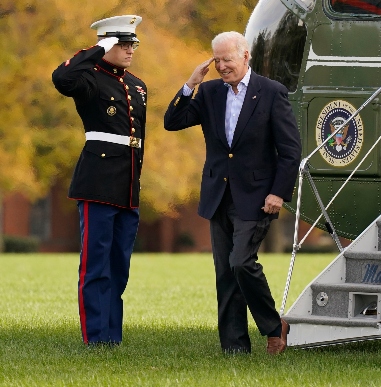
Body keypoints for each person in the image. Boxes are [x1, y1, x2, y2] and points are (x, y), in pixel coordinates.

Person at [164, 31, 301, 355]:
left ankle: (272, 325)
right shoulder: (210, 92)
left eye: (228, 59)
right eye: (218, 60)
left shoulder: (271, 93)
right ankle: (235, 347)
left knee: (241, 262)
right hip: (217, 195)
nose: (223, 66)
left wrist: (278, 193)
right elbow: (173, 121)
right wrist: (190, 84)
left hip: (256, 197)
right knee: (225, 273)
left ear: (245, 56)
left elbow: (291, 151)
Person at [52, 15, 146, 347]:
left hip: (127, 187)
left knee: (119, 267)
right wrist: (96, 50)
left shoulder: (137, 86)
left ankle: (112, 337)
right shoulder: (89, 80)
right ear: (105, 44)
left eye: (131, 43)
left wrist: (136, 185)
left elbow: (138, 142)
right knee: (96, 266)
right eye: (122, 43)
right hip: (98, 183)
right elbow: (61, 77)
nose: (129, 49)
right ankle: (96, 338)